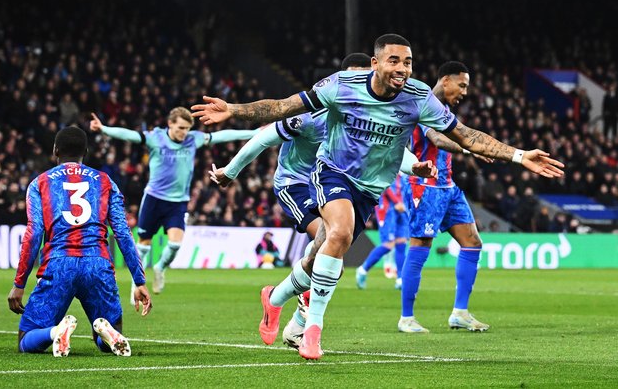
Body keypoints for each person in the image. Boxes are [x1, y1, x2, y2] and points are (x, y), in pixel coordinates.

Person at [192, 34, 564, 360]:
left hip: (370, 189)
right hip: (332, 173)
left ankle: (274, 299)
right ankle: (313, 331)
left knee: (320, 252)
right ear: (375, 63)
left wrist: (518, 155)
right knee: (337, 235)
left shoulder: (418, 98)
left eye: (408, 62)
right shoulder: (341, 86)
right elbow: (282, 108)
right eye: (394, 60)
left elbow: (465, 135)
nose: (403, 68)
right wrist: (235, 110)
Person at [7, 126, 152, 357]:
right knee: (110, 337)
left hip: (59, 264)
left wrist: (19, 284)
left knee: (26, 339)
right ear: (86, 150)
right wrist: (139, 281)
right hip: (98, 265)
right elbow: (123, 233)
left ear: (55, 150)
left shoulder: (40, 183)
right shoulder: (106, 182)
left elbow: (34, 234)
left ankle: (56, 332)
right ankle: (106, 332)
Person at [90, 107, 258, 299]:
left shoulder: (192, 139)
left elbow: (221, 136)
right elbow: (130, 135)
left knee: (175, 244)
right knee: (143, 245)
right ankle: (138, 284)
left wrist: (254, 133)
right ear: (170, 124)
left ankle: (160, 267)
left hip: (178, 202)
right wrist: (103, 129)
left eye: (187, 128)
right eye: (180, 128)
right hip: (154, 199)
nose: (183, 132)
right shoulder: (156, 138)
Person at [399, 61, 492, 334]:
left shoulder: (446, 110)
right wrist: (470, 149)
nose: (464, 91)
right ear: (446, 80)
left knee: (473, 242)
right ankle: (406, 317)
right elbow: (437, 139)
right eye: (461, 85)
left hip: (448, 186)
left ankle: (460, 313)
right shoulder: (422, 103)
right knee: (421, 245)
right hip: (423, 185)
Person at [356, 173, 409, 290]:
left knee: (401, 243)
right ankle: (363, 269)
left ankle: (400, 279)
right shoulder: (390, 164)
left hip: (401, 211)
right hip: (388, 211)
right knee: (388, 245)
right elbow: (386, 185)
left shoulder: (404, 173)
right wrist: (397, 202)